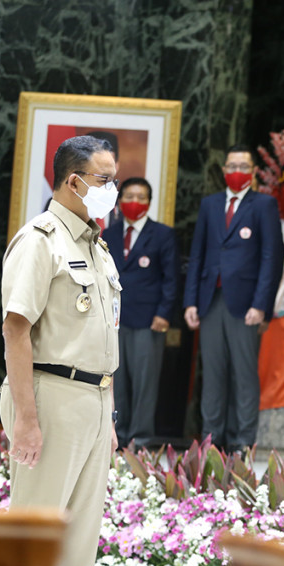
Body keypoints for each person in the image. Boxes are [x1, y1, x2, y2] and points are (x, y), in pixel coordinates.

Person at [0, 135, 121, 566]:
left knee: (79, 542)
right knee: (37, 535)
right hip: (51, 396)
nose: (112, 189)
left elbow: (103, 337)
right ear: (73, 181)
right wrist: (26, 420)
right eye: (104, 180)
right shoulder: (40, 240)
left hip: (95, 400)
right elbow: (16, 330)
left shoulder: (96, 246)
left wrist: (107, 415)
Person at [183, 144, 283, 453]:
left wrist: (261, 305)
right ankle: (212, 440)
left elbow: (271, 257)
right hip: (210, 298)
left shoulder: (264, 204)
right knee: (213, 373)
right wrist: (190, 301)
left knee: (244, 373)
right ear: (224, 170)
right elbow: (197, 254)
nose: (237, 171)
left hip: (246, 303)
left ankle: (243, 441)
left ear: (253, 172)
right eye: (232, 166)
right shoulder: (210, 204)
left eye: (243, 166)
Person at [104, 177, 179, 448]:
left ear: (149, 202)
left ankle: (141, 439)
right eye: (129, 196)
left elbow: (171, 279)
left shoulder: (162, 234)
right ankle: (118, 435)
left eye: (141, 197)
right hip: (114, 320)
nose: (134, 202)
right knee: (117, 381)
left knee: (145, 382)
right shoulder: (108, 234)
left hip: (149, 321)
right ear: (120, 201)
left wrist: (164, 314)